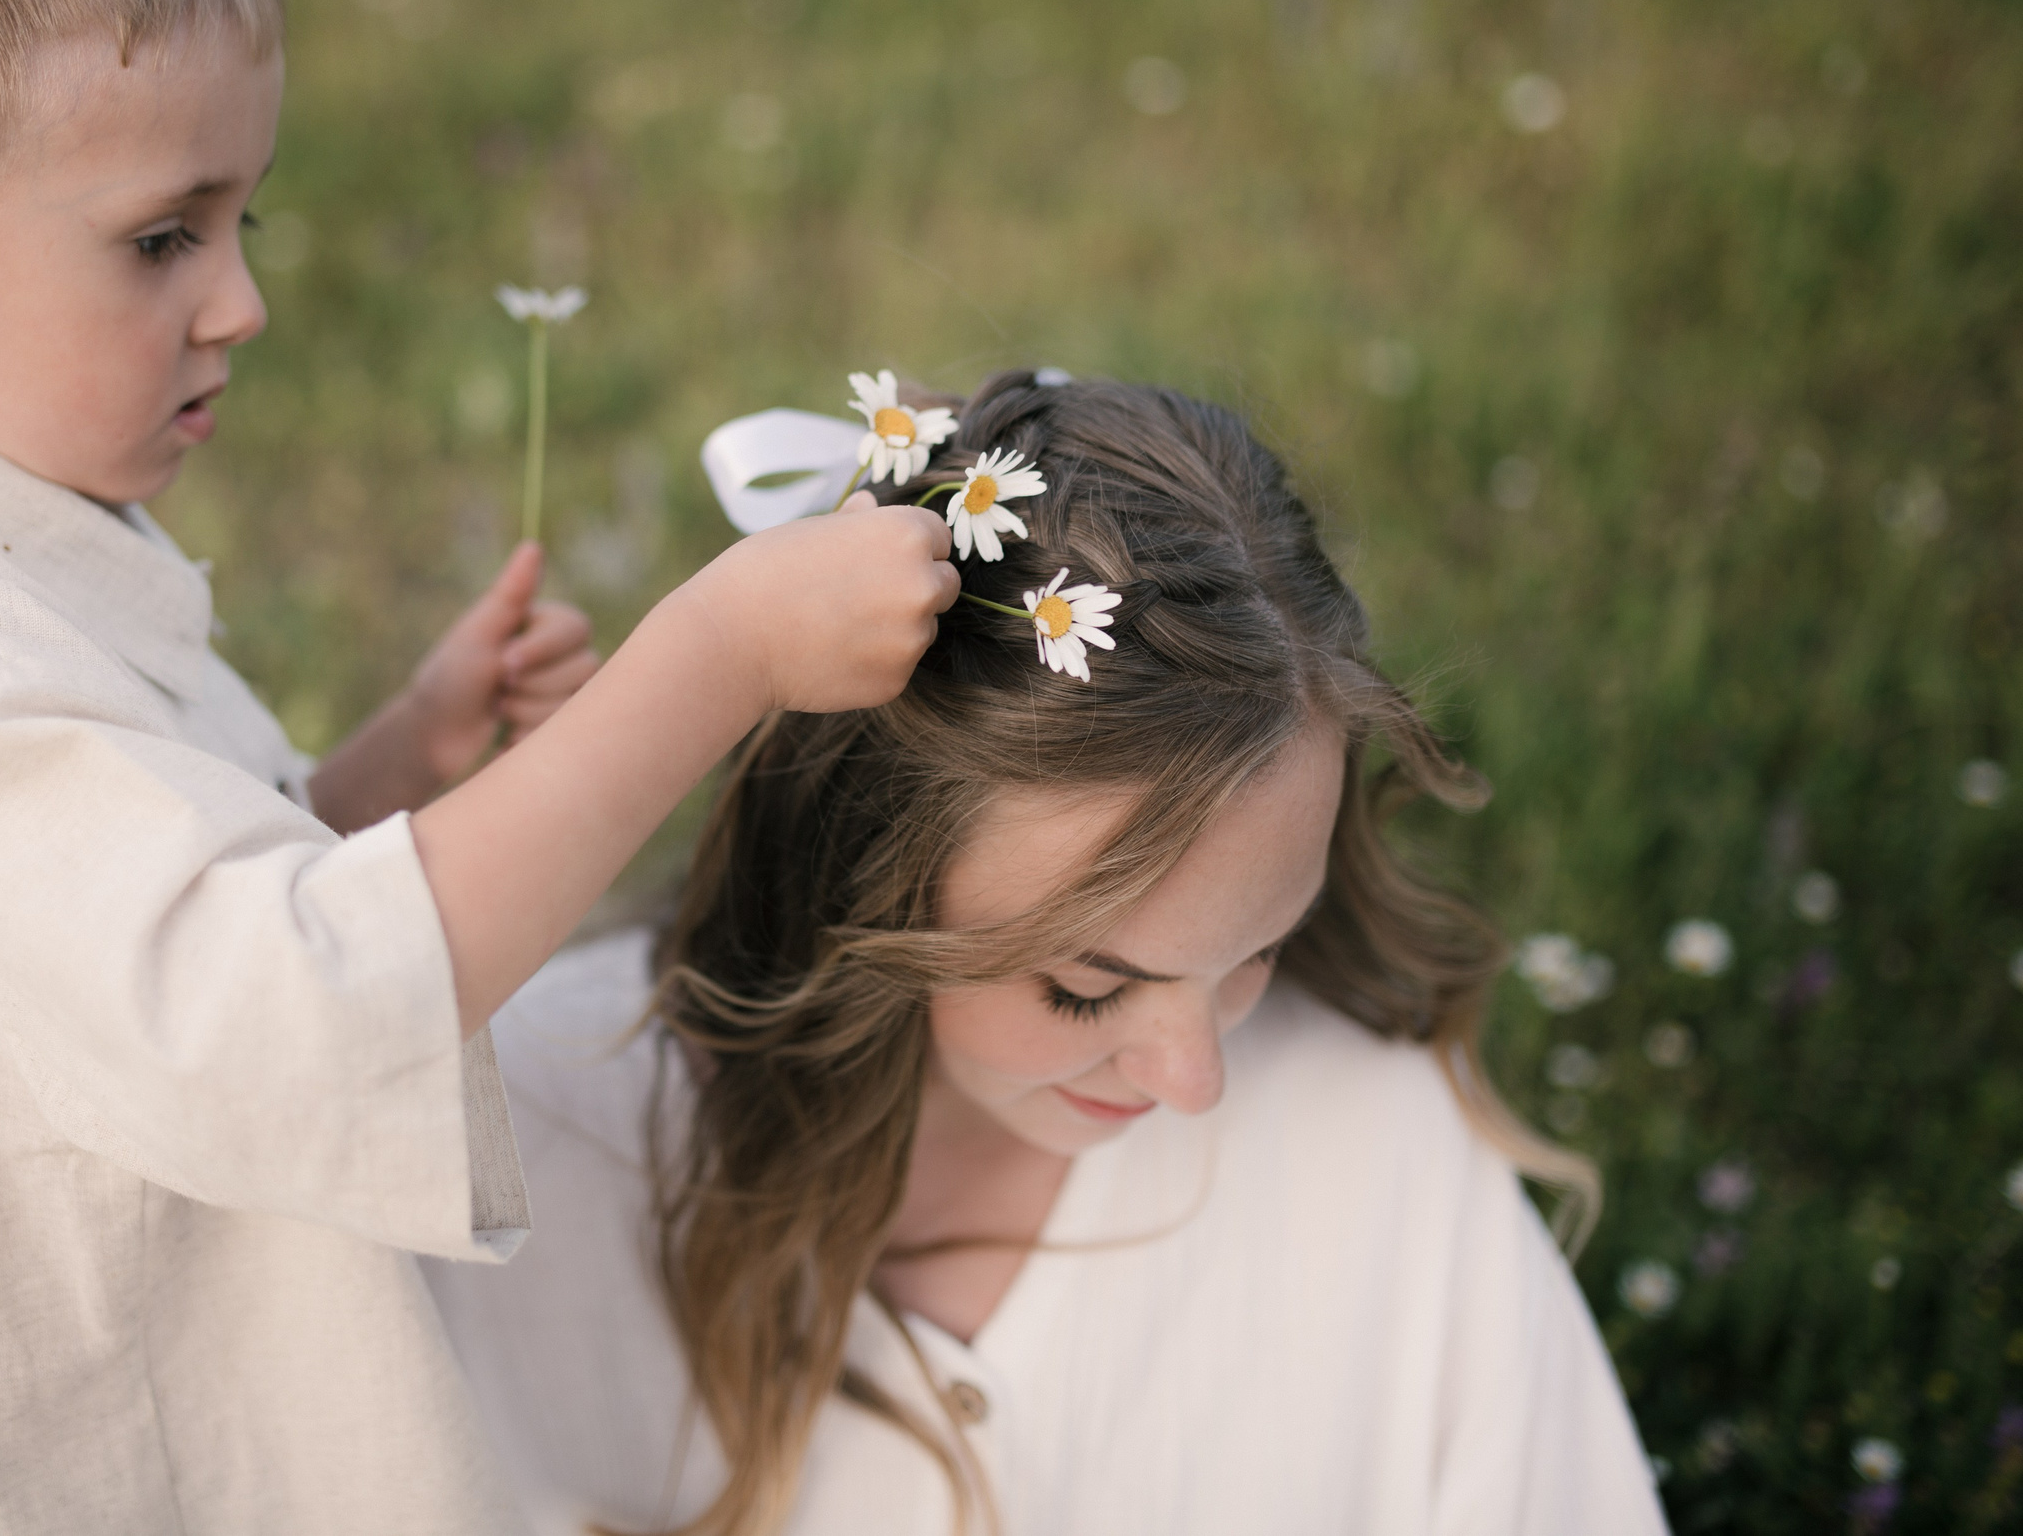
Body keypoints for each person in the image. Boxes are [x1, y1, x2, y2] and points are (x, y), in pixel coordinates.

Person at [0, 0, 958, 1531]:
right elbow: (288, 1015)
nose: (243, 301)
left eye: (240, 220)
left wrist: (397, 759)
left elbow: (160, 928)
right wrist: (714, 658)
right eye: (161, 239)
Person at [427, 372, 1671, 1535]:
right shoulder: (531, 1158)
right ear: (859, 882)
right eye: (1085, 989)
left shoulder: (1377, 1157)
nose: (1194, 1079)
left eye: (1257, 951)